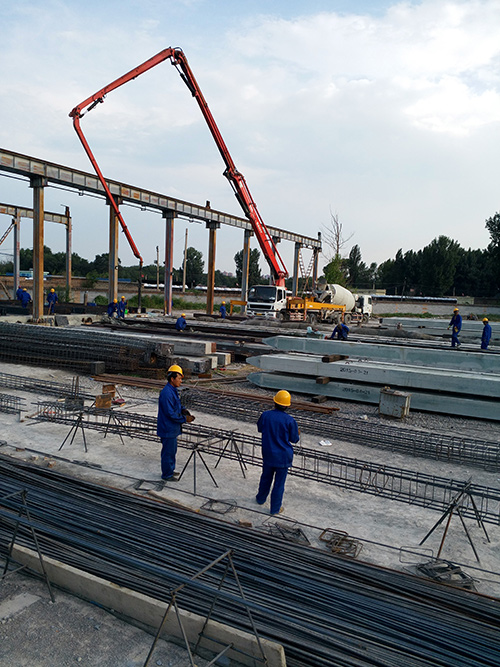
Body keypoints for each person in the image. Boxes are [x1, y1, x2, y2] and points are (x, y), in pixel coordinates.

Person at [255, 390, 300, 515]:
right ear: (287, 406)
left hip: (268, 453)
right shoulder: (290, 420)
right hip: (283, 457)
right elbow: (294, 439)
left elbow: (260, 428)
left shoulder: (265, 415)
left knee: (266, 477)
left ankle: (260, 499)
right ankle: (275, 509)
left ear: (274, 402)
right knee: (279, 484)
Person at [157, 364, 195, 480]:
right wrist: (185, 419)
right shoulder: (167, 393)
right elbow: (170, 413)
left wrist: (183, 410)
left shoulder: (173, 390)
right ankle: (167, 475)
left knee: (172, 451)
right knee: (168, 453)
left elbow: (176, 405)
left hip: (172, 429)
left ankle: (170, 470)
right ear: (172, 379)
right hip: (167, 429)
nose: (180, 381)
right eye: (179, 378)